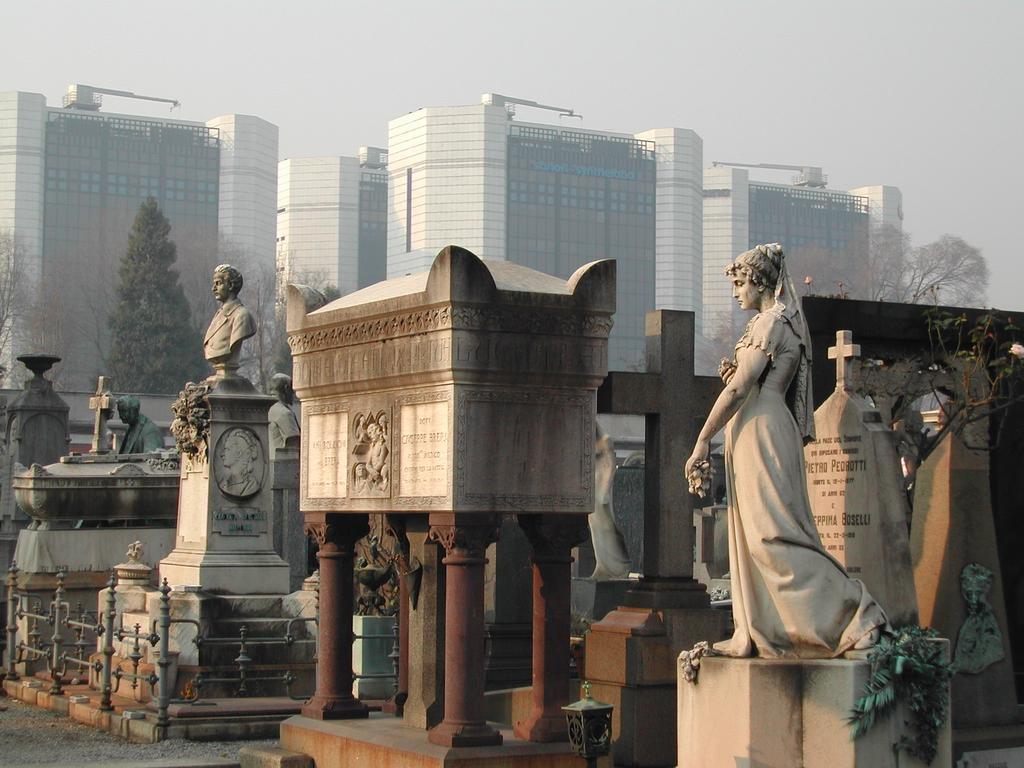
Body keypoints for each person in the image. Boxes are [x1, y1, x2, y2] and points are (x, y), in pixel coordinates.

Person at [685, 243, 886, 659]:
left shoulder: (773, 322)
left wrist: (703, 438)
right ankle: (767, 629)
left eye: (740, 283)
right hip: (754, 428)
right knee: (756, 538)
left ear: (760, 282)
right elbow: (749, 379)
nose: (735, 292)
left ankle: (854, 614)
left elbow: (741, 388)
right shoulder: (769, 323)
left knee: (772, 537)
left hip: (763, 430)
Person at [203, 264, 256, 373]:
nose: (213, 288)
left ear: (230, 285)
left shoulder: (242, 315)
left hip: (229, 374)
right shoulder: (218, 315)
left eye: (218, 283)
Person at [268, 373, 300, 457]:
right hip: (284, 461)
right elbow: (295, 444)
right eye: (292, 390)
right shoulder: (285, 413)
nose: (294, 394)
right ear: (286, 389)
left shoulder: (265, 409)